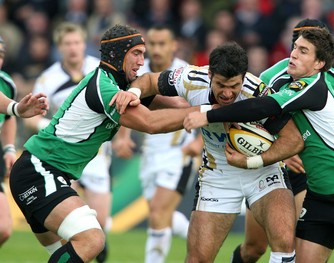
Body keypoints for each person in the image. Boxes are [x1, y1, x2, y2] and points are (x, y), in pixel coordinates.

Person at [184, 28, 334, 263]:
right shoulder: (281, 81)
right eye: (295, 48)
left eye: (303, 51)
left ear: (319, 63)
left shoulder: (312, 87)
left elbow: (261, 107)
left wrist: (207, 116)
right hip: (319, 199)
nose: (294, 54)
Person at [8, 24, 199, 262]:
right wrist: (206, 113)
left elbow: (175, 105)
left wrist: (209, 104)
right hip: (40, 171)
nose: (142, 61)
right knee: (93, 240)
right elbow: (151, 123)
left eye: (143, 54)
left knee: (74, 251)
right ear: (118, 54)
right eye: (136, 53)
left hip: (41, 172)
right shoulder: (104, 88)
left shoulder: (119, 86)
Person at [117, 42, 304, 262]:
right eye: (220, 84)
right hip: (218, 174)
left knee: (282, 245)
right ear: (209, 74)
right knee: (198, 259)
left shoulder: (257, 91)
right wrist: (134, 92)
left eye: (234, 85)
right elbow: (148, 80)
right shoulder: (191, 79)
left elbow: (293, 139)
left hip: (262, 170)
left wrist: (252, 161)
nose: (227, 93)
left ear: (244, 77)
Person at [231, 18, 334, 263]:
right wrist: (284, 150)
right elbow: (256, 123)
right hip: (271, 166)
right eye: (302, 43)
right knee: (254, 248)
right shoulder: (271, 77)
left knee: (294, 248)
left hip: (304, 174)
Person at [22, 22, 113, 262]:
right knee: (76, 229)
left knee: (100, 223)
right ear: (60, 47)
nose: (73, 48)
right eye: (67, 43)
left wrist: (122, 138)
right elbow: (32, 119)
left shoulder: (100, 71)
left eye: (77, 42)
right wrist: (54, 129)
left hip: (96, 155)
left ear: (84, 44)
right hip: (60, 155)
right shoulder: (47, 78)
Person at [134, 25, 203, 263]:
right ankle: (200, 238)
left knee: (158, 214)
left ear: (174, 45)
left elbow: (209, 108)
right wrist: (122, 138)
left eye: (161, 43)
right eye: (151, 44)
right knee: (162, 214)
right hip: (149, 154)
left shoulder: (187, 74)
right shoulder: (139, 73)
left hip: (178, 154)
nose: (155, 49)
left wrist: (201, 142)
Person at [0, 35, 49, 248]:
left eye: (0, 55)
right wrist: (17, 108)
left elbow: (7, 117)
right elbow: (10, 109)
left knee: (3, 228)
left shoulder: (6, 83)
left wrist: (9, 148)